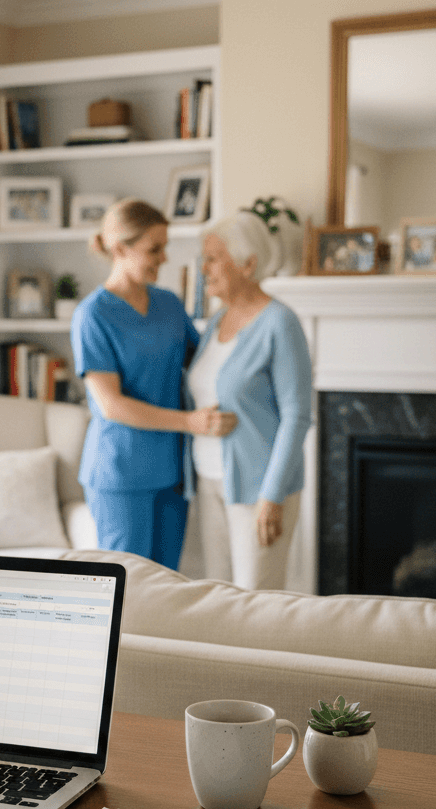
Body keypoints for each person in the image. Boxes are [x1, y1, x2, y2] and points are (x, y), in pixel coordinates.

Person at [71, 197, 236, 569]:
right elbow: (111, 405)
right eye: (154, 249)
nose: (164, 258)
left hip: (171, 471)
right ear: (119, 249)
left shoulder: (169, 304)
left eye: (165, 247)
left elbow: (204, 364)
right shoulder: (92, 315)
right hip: (121, 474)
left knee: (165, 585)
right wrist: (190, 423)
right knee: (129, 590)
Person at [184, 211, 313, 590]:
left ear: (248, 264)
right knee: (219, 601)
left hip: (258, 490)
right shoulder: (217, 321)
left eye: (213, 257)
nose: (203, 268)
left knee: (256, 607)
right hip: (210, 480)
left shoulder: (280, 322)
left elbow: (297, 416)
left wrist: (271, 497)